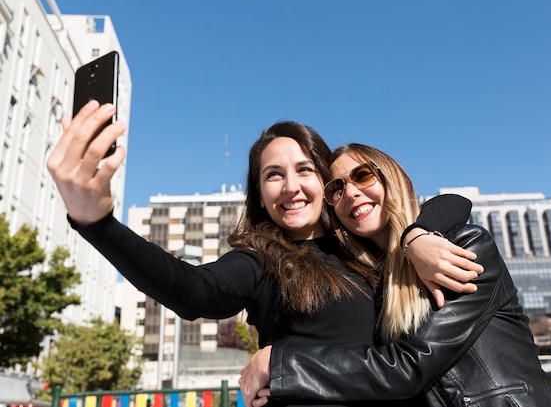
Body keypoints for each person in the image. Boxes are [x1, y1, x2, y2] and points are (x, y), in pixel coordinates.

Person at [46, 101, 482, 407]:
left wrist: (416, 236)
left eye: (305, 170)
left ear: (329, 183)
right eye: (273, 175)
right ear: (259, 193)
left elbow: (453, 203)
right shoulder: (262, 259)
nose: (290, 187)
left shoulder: (369, 247)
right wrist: (97, 223)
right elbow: (196, 291)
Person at [239, 143, 551, 407]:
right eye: (337, 188)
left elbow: (408, 366)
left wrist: (280, 364)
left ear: (391, 179)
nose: (351, 192)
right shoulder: (372, 281)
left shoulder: (464, 247)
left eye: (364, 175)